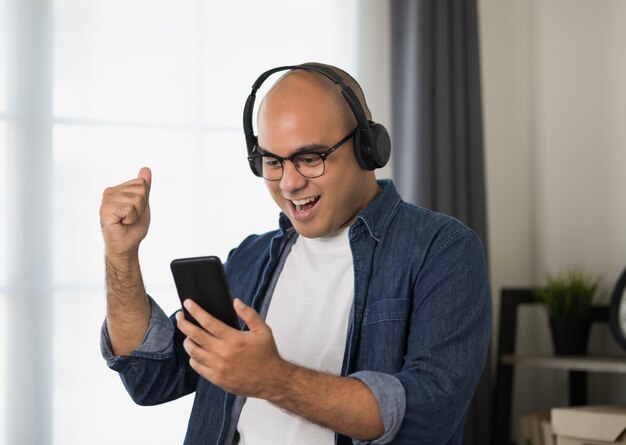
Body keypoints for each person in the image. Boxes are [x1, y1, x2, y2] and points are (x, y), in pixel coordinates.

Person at [100, 63, 491, 445]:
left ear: (367, 147)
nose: (289, 182)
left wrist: (274, 379)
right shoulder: (250, 259)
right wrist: (121, 257)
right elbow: (151, 378)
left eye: (310, 158)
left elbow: (428, 416)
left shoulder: (441, 250)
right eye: (272, 161)